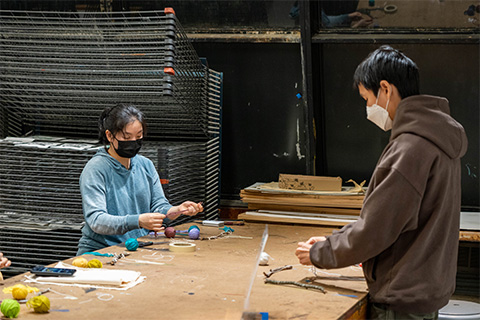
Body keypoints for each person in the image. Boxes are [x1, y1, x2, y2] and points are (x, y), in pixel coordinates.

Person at [295, 45, 468, 319]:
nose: (367, 108)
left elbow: (376, 228)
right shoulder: (438, 138)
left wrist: (322, 252)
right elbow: (405, 224)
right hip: (423, 292)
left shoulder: (410, 148)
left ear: (385, 89)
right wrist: (336, 240)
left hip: (400, 301)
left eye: (367, 98)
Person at [77, 104, 203, 255]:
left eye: (138, 136)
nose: (133, 141)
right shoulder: (96, 169)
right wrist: (137, 220)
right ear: (110, 136)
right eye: (126, 137)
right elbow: (97, 221)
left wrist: (177, 210)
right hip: (100, 252)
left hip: (133, 250)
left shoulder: (146, 165)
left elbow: (158, 205)